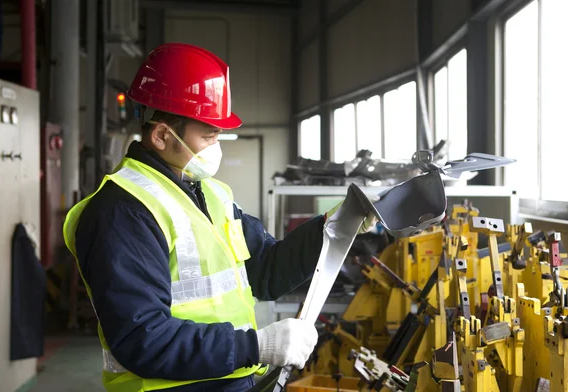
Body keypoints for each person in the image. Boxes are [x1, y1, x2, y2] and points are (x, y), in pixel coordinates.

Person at [63, 43, 376, 392]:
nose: (218, 144)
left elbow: (267, 271)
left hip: (231, 379)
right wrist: (256, 346)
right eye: (209, 134)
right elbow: (143, 338)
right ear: (163, 136)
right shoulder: (122, 212)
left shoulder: (210, 193)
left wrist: (334, 227)